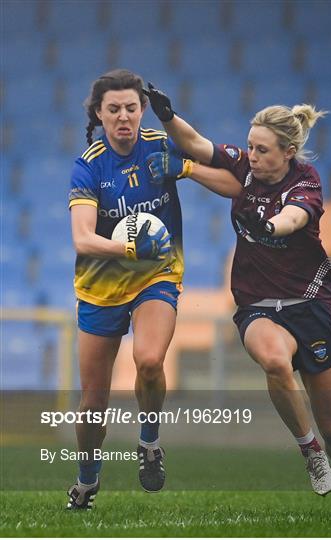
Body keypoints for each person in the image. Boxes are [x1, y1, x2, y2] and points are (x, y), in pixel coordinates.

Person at [143, 83, 331, 518]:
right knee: (273, 360)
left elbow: (294, 218)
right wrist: (167, 116)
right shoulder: (244, 167)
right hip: (257, 303)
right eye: (250, 146)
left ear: (287, 152)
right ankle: (310, 453)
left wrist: (268, 227)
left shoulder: (306, 182)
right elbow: (196, 146)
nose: (252, 155)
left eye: (262, 149)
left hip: (309, 304)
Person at [66, 69, 241, 510]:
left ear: (141, 109)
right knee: (92, 406)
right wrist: (129, 248)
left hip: (156, 276)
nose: (123, 116)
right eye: (113, 109)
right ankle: (87, 482)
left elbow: (235, 186)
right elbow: (83, 238)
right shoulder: (88, 165)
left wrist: (185, 167)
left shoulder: (161, 145)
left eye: (131, 107)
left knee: (148, 360)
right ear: (99, 115)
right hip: (100, 287)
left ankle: (149, 442)